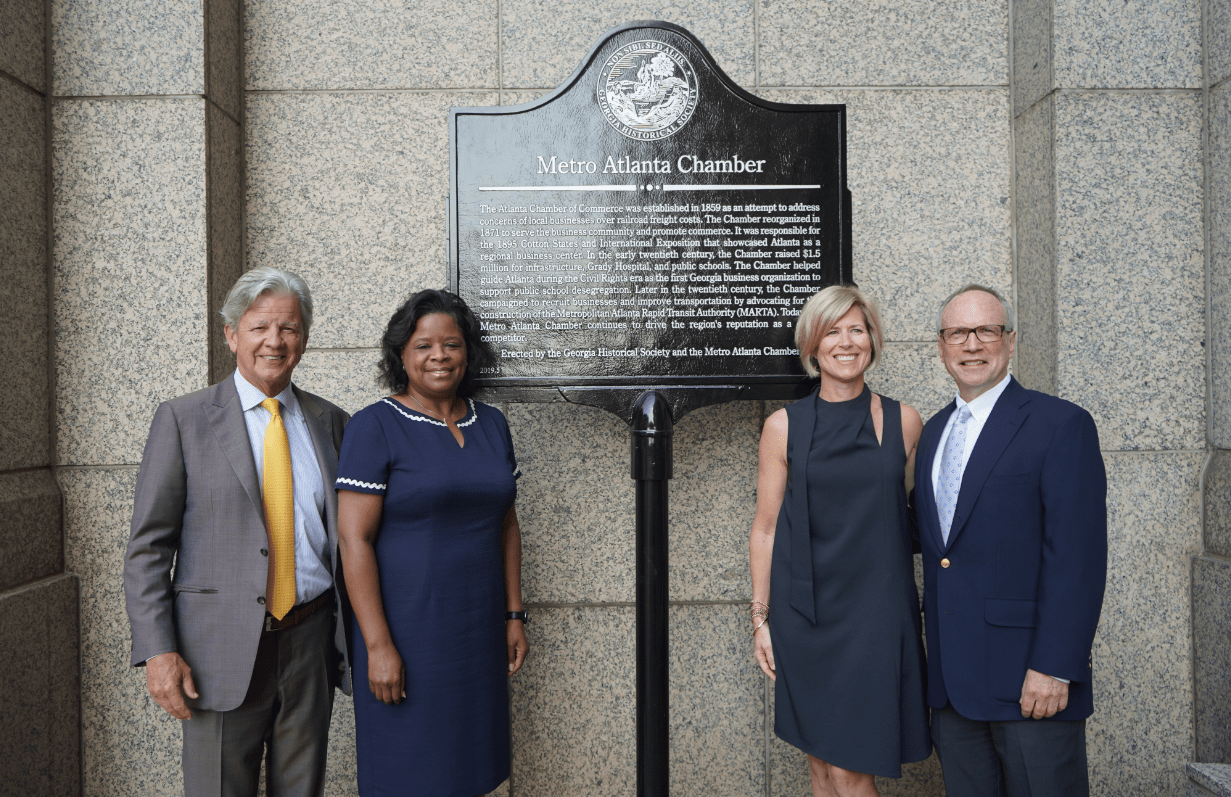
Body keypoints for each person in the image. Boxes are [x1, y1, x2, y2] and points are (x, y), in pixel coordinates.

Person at [124, 267, 350, 796]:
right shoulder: (183, 420)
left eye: (289, 328)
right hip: (214, 652)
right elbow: (148, 550)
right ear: (231, 335)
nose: (275, 341)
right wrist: (158, 651)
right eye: (259, 327)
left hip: (310, 640)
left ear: (305, 338)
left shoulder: (333, 422)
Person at [914, 284, 1107, 797]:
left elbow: (1077, 559)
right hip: (953, 689)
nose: (972, 344)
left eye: (986, 330)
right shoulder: (933, 433)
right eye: (958, 332)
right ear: (941, 345)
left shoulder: (1060, 424)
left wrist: (1054, 666)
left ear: (1010, 340)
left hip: (1031, 682)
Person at [336, 289, 528, 797]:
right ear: (401, 354)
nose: (439, 356)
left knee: (470, 769)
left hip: (476, 631)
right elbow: (353, 540)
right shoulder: (374, 426)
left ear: (469, 353)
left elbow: (507, 525)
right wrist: (377, 646)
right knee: (410, 772)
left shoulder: (491, 423)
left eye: (452, 344)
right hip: (408, 632)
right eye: (423, 345)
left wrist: (513, 615)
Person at [749, 284, 931, 797]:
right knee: (822, 770)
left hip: (875, 619)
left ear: (872, 341)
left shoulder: (905, 421)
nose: (846, 342)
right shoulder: (783, 427)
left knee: (852, 772)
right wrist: (761, 620)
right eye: (833, 331)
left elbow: (920, 519)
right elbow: (764, 528)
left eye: (857, 329)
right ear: (812, 346)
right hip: (805, 620)